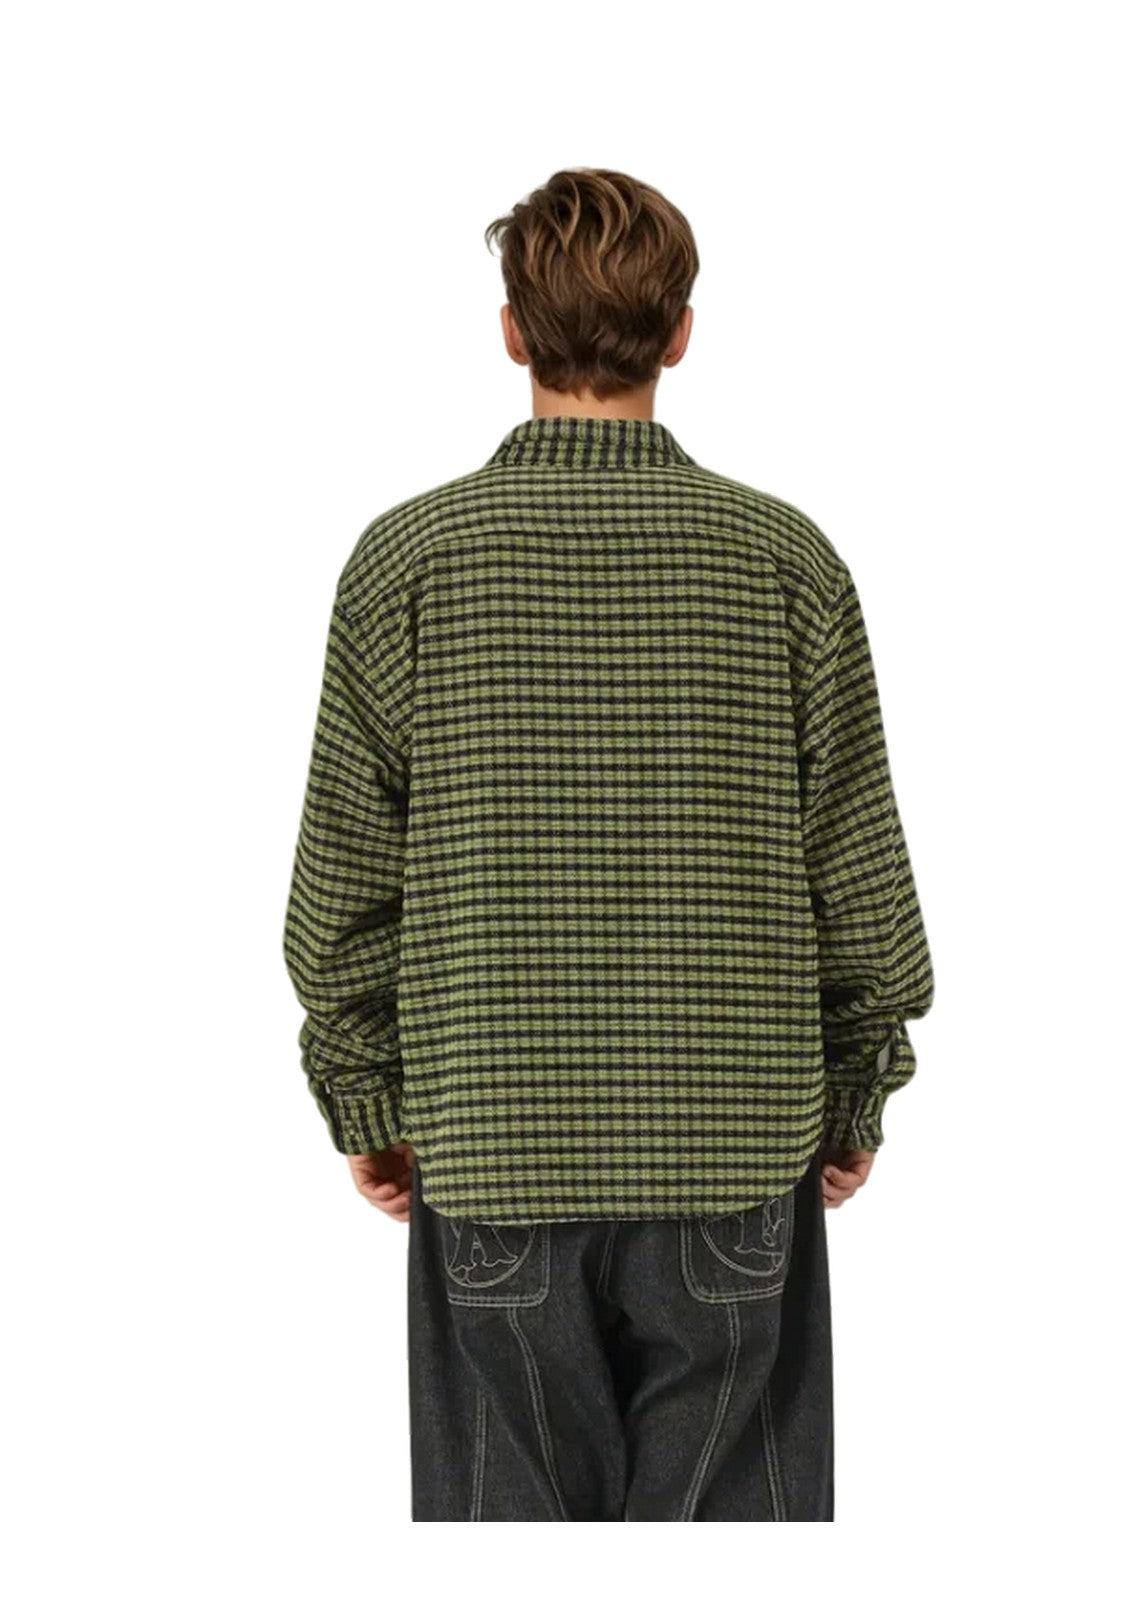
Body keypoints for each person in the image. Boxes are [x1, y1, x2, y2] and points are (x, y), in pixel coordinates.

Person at [282, 167, 934, 1521]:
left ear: (510, 331)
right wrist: (855, 1092)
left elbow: (342, 888)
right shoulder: (784, 562)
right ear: (681, 333)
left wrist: (370, 1105)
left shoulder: (406, 564)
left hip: (491, 1147)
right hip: (733, 1158)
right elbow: (860, 874)